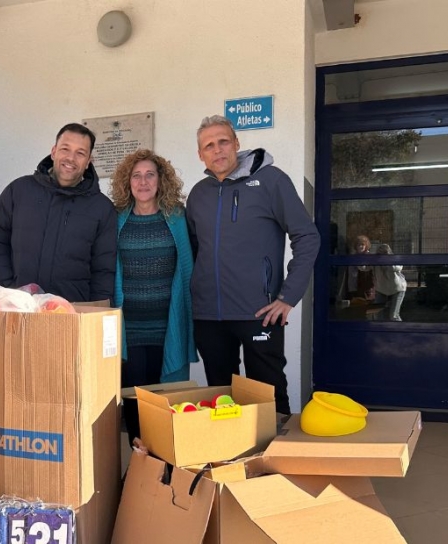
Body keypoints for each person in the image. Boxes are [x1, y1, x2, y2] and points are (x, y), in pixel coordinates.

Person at [186, 115, 319, 415]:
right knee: (220, 399)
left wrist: (288, 297)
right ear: (200, 154)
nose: (217, 150)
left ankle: (276, 459)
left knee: (268, 395)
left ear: (236, 143)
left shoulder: (271, 181)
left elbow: (307, 237)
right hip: (209, 316)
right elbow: (194, 251)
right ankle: (230, 461)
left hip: (260, 312)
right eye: (209, 145)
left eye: (223, 141)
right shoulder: (198, 194)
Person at [109, 149, 197, 445]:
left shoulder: (177, 219)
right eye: (136, 175)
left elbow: (189, 269)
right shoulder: (116, 220)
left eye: (150, 175)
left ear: (161, 181)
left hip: (167, 326)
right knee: (135, 400)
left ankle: (168, 473)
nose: (143, 182)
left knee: (166, 404)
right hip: (129, 328)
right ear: (127, 182)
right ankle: (140, 470)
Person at [0, 123, 118, 303]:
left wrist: (94, 312)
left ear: (88, 162)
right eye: (65, 149)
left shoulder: (102, 208)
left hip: (72, 312)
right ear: (54, 152)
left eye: (80, 153)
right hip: (19, 308)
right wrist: (9, 288)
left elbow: (103, 269)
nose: (71, 158)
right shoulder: (19, 191)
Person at [374, 243, 406, 321]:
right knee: (379, 315)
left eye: (385, 253)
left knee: (394, 316)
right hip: (381, 289)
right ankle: (382, 332)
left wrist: (388, 260)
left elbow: (397, 268)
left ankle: (399, 331)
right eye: (380, 253)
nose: (382, 255)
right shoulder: (375, 262)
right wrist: (361, 257)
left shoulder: (394, 260)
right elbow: (364, 268)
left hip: (397, 289)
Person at [347, 235, 375, 301]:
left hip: (367, 286)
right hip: (355, 286)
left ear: (366, 246)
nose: (360, 247)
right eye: (358, 245)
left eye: (362, 245)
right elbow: (351, 274)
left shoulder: (370, 257)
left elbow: (368, 269)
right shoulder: (353, 257)